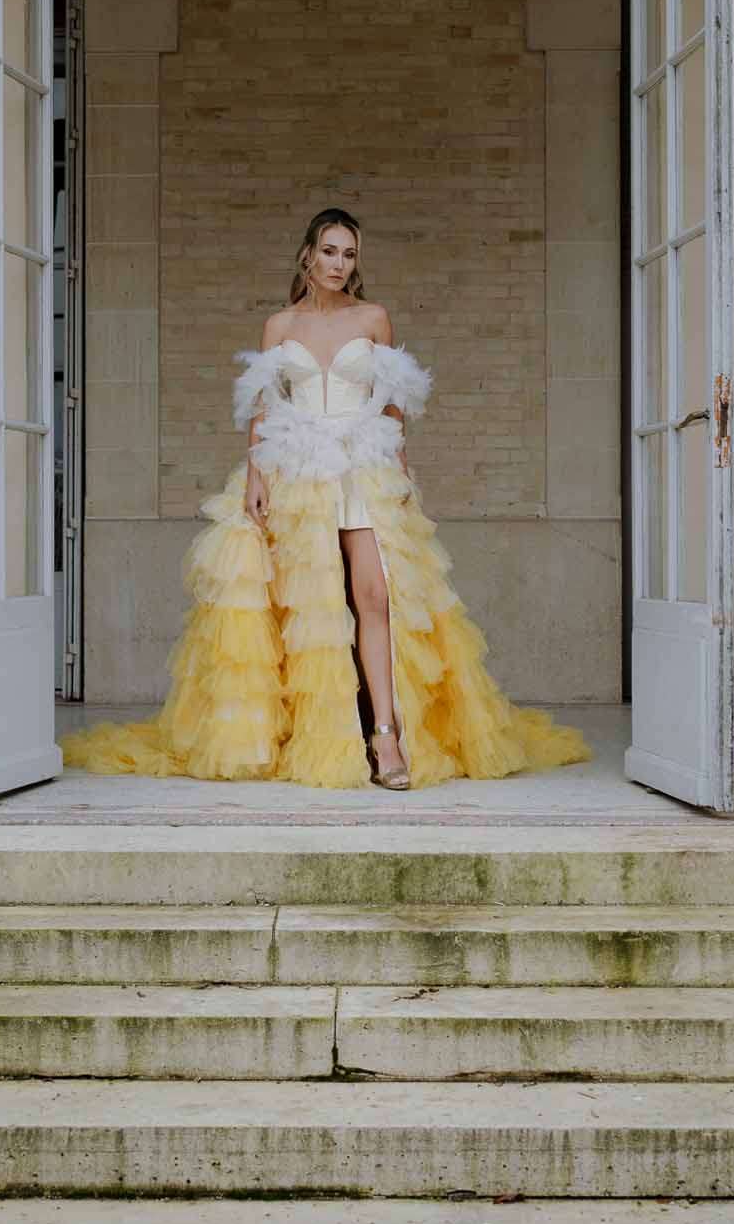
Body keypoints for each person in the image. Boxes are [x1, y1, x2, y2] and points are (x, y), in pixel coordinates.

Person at [60, 208, 589, 790]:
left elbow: (393, 405)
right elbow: (264, 406)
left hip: (364, 469)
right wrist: (258, 477)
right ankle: (322, 736)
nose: (339, 263)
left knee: (375, 597)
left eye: (350, 254)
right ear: (308, 255)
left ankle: (386, 737)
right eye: (330, 251)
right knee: (307, 611)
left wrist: (403, 472)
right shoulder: (279, 325)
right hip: (298, 469)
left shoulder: (374, 318)